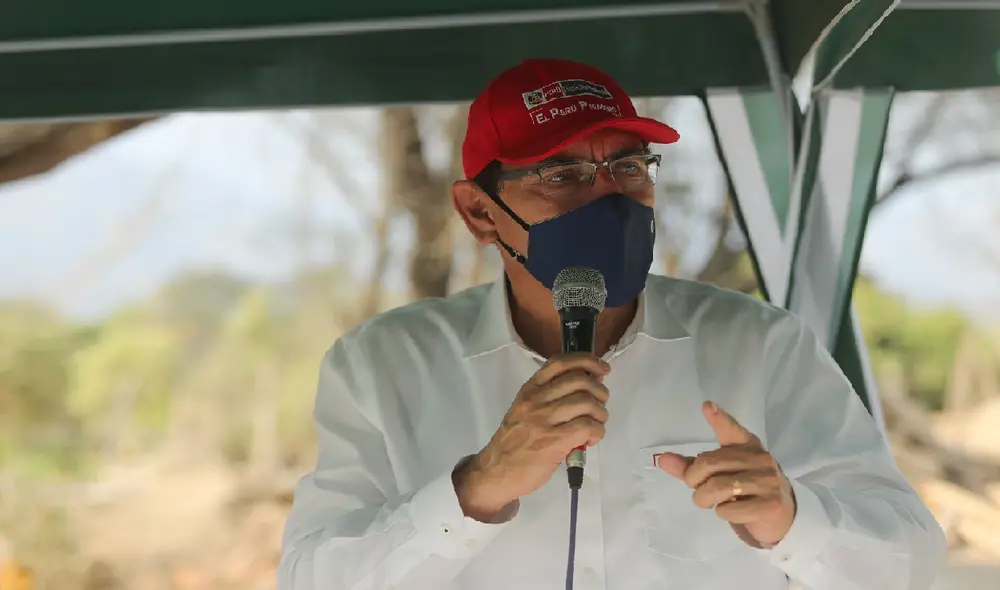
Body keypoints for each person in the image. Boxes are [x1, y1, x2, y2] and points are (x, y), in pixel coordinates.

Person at [278, 58, 946, 590]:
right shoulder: (381, 366)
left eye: (628, 166)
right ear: (480, 213)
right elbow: (310, 578)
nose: (610, 198)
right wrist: (475, 490)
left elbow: (911, 560)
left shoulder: (761, 345)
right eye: (563, 173)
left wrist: (792, 520)